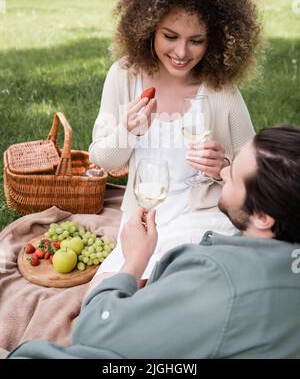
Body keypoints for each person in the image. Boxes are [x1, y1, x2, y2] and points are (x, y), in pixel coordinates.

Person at [8, 125, 300, 359]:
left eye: (233, 176)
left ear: (262, 216)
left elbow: (94, 330)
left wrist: (134, 260)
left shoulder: (219, 281)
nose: (223, 172)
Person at [88, 0, 262, 280]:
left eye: (196, 41)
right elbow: (104, 160)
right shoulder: (124, 76)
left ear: (214, 41)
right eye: (170, 37)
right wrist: (127, 131)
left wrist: (223, 167)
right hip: (142, 221)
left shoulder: (220, 89)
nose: (182, 52)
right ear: (148, 28)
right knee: (105, 295)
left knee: (179, 291)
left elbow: (254, 172)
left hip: (205, 218)